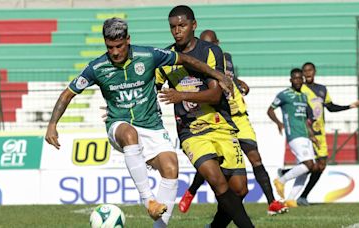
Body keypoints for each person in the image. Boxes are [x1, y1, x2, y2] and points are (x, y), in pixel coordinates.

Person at [45, 17, 233, 228]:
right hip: (119, 125)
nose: (115, 52)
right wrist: (52, 124)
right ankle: (148, 200)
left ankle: (159, 226)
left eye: (119, 46)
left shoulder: (148, 55)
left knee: (171, 169)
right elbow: (67, 94)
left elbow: (186, 59)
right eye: (110, 47)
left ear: (128, 40)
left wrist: (218, 74)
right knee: (129, 134)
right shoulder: (97, 67)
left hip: (152, 125)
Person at [156, 5, 254, 228]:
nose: (177, 31)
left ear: (194, 25)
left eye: (182, 25)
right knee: (217, 181)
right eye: (173, 27)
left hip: (221, 125)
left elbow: (215, 93)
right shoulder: (165, 58)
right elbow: (150, 89)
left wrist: (181, 94)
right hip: (192, 131)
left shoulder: (210, 52)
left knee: (239, 189)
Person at [177, 29, 287, 216]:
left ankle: (272, 202)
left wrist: (238, 81)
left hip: (240, 117)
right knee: (213, 162)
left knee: (255, 158)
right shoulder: (198, 65)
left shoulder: (225, 58)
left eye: (212, 43)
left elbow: (227, 76)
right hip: (219, 119)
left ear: (218, 43)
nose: (209, 47)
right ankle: (191, 191)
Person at [292, 62, 359, 206]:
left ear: (314, 71)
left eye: (310, 70)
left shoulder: (322, 89)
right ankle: (286, 176)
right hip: (306, 132)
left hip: (320, 134)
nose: (307, 73)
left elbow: (330, 107)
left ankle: (302, 196)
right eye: (305, 71)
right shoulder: (300, 89)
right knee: (309, 164)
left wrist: (349, 106)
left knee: (321, 166)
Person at [267, 68, 317, 208]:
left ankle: (291, 199)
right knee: (308, 164)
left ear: (302, 79)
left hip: (305, 135)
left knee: (308, 168)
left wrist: (312, 135)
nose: (297, 80)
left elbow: (306, 119)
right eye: (295, 78)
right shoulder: (284, 95)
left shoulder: (303, 96)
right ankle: (281, 180)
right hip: (294, 134)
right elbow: (270, 110)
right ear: (291, 80)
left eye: (300, 78)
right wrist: (279, 123)